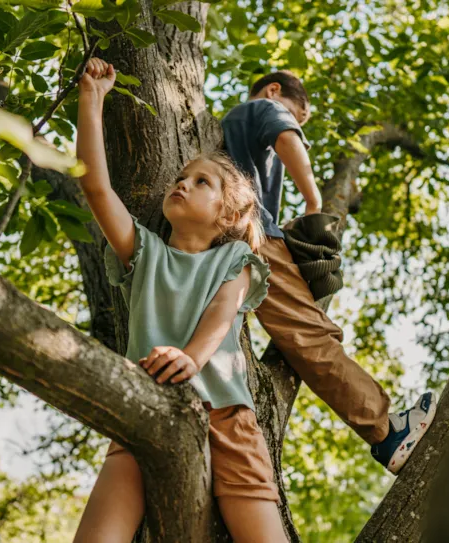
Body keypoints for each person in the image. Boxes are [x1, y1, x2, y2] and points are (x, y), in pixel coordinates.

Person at [72, 58, 287, 543]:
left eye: (201, 182)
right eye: (182, 176)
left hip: (229, 417)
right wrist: (92, 99)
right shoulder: (143, 251)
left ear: (228, 212)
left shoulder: (234, 258)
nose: (182, 183)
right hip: (143, 407)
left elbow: (222, 312)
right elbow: (95, 186)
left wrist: (189, 359)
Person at [221, 71, 437, 474]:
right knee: (312, 337)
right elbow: (286, 139)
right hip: (252, 239)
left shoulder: (229, 131)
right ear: (274, 92)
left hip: (220, 245)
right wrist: (312, 199)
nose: (297, 125)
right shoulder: (262, 107)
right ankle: (388, 432)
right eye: (299, 116)